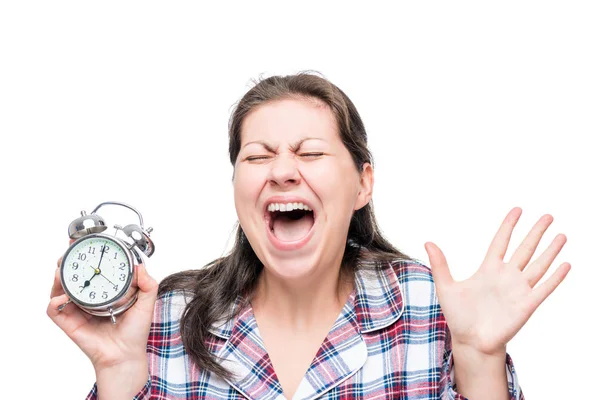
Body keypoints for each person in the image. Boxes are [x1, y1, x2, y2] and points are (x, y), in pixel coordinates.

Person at [48, 72, 570, 400]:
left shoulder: (430, 307)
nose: (281, 171)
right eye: (257, 156)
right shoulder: (166, 315)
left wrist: (478, 358)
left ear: (363, 183)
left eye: (311, 152)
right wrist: (118, 374)